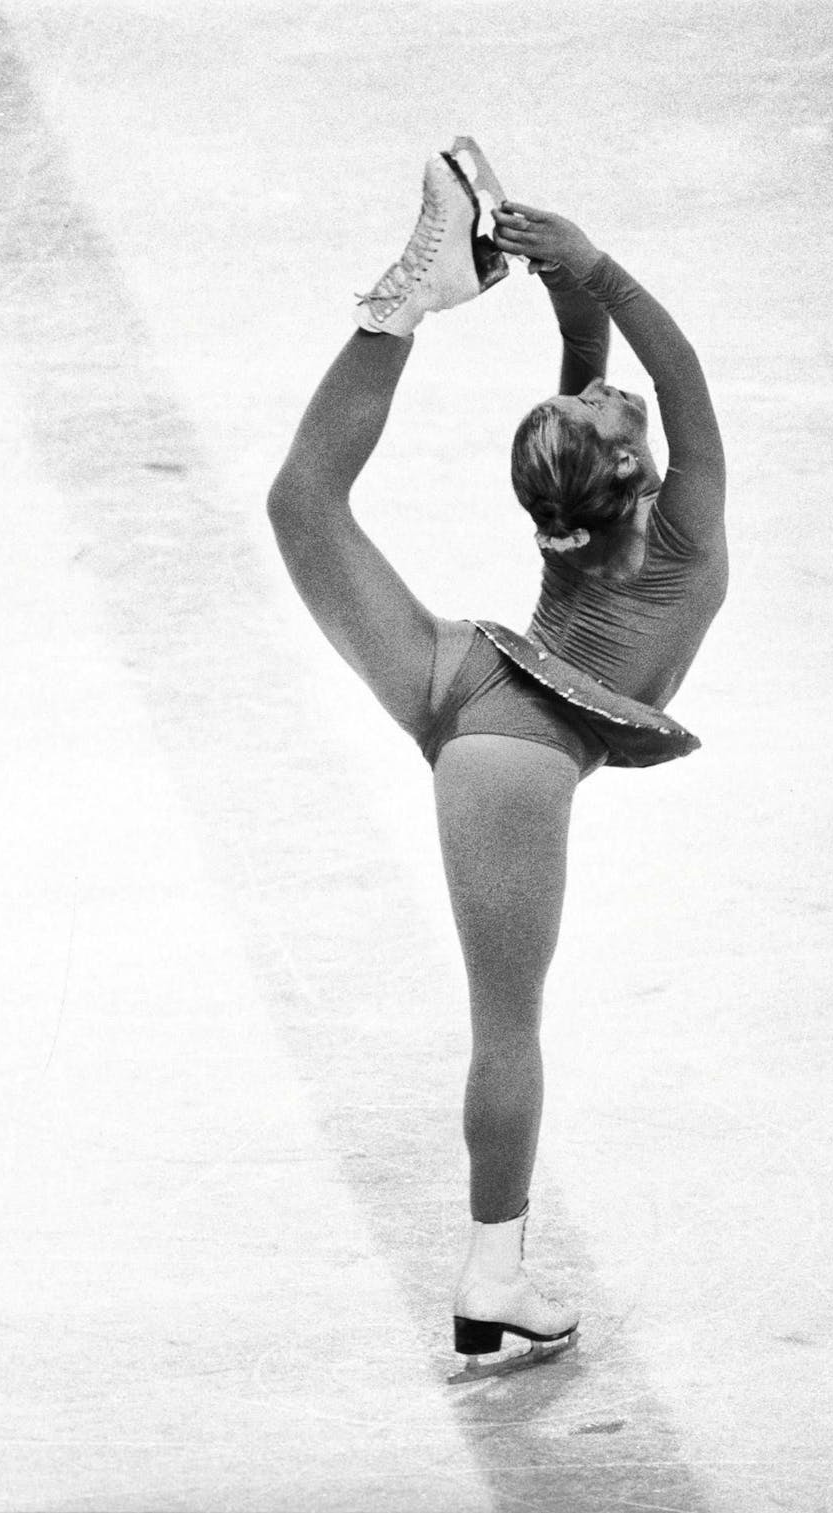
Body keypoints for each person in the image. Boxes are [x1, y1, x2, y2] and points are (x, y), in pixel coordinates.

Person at [266, 140, 727, 1374]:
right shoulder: (676, 522)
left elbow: (610, 372)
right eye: (597, 406)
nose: (604, 393)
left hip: (463, 679)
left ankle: (397, 314)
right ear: (628, 478)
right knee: (505, 1028)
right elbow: (662, 373)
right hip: (514, 748)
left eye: (590, 403)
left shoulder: (619, 510)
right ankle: (493, 1273)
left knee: (302, 507)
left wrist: (562, 271)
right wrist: (590, 272)